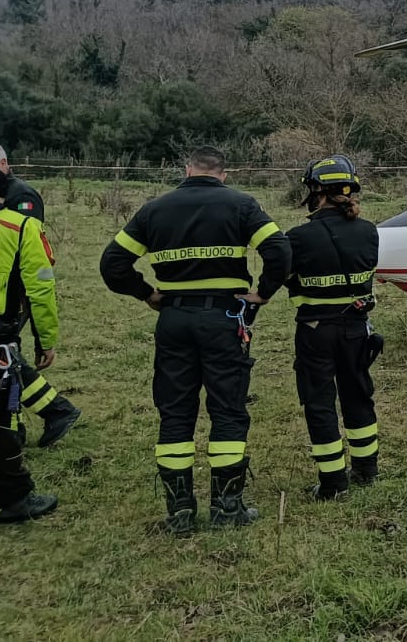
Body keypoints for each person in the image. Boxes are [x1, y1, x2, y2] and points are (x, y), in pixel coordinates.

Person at [99, 146, 291, 534]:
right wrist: (264, 293)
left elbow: (112, 263)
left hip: (173, 319)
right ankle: (227, 508)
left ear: (187, 169)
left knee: (175, 413)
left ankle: (180, 512)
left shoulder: (154, 209)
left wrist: (148, 294)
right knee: (228, 410)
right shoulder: (241, 204)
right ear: (224, 173)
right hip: (224, 318)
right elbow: (280, 250)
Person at [285, 155, 381, 500]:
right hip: (357, 328)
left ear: (316, 191)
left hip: (315, 330)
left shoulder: (298, 237)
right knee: (359, 395)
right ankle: (367, 469)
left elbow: (285, 277)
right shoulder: (370, 231)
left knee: (320, 402)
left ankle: (333, 483)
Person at [0, 142, 82, 447]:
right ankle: (52, 411)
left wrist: (40, 328)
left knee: (5, 359)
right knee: (8, 359)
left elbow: (33, 255)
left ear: (3, 163)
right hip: (0, 300)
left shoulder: (21, 197)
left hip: (13, 297)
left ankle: (22, 424)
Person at [0, 165, 60, 523]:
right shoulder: (19, 226)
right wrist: (46, 340)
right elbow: (41, 288)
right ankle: (13, 498)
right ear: (3, 196)